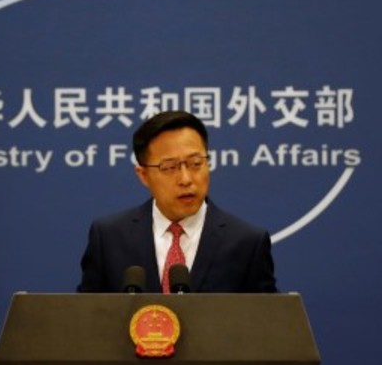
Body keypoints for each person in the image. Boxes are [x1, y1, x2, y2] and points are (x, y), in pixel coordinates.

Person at [78, 110, 277, 293]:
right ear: (143, 175)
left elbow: (267, 317)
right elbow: (86, 314)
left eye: (196, 163)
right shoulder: (109, 238)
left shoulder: (247, 243)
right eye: (169, 167)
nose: (186, 179)